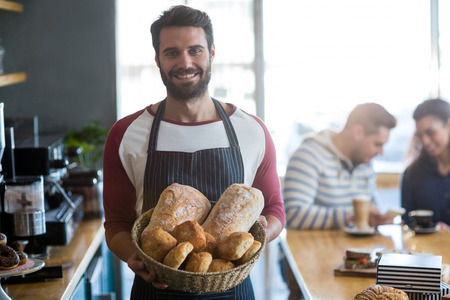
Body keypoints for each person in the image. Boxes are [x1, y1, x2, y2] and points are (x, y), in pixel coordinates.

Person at [102, 5, 285, 299]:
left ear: (212, 53)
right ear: (157, 60)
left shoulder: (251, 131)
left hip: (234, 290)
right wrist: (135, 258)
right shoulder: (125, 134)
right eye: (172, 52)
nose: (185, 62)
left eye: (195, 50)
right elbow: (117, 223)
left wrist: (263, 230)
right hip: (154, 288)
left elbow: (275, 210)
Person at [283, 102, 397, 230]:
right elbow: (293, 215)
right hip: (314, 249)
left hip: (355, 248)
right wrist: (352, 216)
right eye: (377, 144)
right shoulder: (308, 155)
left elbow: (371, 209)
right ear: (358, 132)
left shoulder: (365, 164)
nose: (381, 153)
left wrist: (378, 218)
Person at [401, 98, 450, 227]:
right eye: (420, 135)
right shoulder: (411, 174)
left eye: (430, 132)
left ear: (448, 125)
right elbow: (407, 224)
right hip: (424, 247)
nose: (425, 142)